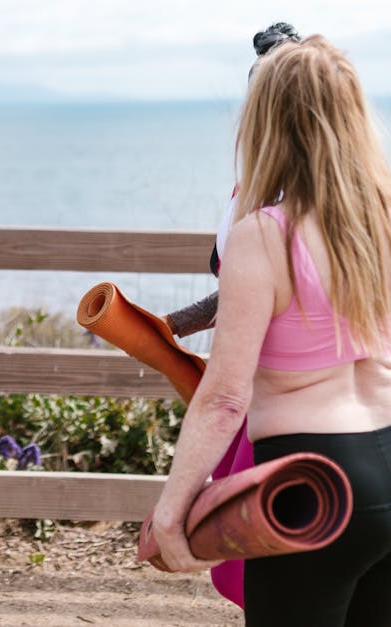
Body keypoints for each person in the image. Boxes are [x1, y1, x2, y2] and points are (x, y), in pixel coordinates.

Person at [150, 35, 391, 626]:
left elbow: (226, 397)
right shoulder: (384, 217)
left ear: (267, 121)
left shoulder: (264, 235)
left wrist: (171, 512)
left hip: (313, 484)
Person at [159, 22, 301, 609]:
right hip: (256, 388)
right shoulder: (252, 187)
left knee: (265, 560)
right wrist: (164, 327)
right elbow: (237, 295)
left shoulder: (283, 199)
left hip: (273, 396)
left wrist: (173, 325)